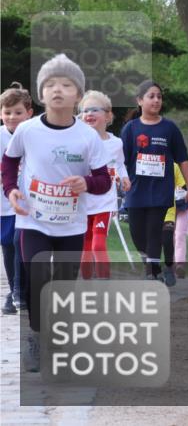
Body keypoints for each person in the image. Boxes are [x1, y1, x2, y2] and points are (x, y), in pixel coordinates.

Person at [2, 54, 112, 371]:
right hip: (32, 219)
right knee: (37, 279)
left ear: (78, 94)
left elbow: (104, 181)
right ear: (41, 93)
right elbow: (9, 162)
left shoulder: (87, 136)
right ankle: (36, 337)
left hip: (71, 224)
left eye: (66, 84)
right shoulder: (27, 130)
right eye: (50, 84)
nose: (58, 90)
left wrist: (86, 182)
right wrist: (11, 189)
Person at [121, 80, 188, 284]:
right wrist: (121, 181)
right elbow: (122, 161)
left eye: (159, 96)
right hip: (137, 190)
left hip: (161, 191)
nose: (156, 100)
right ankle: (151, 264)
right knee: (137, 233)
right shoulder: (131, 129)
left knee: (155, 230)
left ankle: (151, 273)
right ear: (139, 100)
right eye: (151, 96)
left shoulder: (169, 128)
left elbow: (183, 159)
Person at [79, 90, 130, 280]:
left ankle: (104, 283)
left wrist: (124, 177)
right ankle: (86, 283)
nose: (89, 114)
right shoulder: (77, 141)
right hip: (82, 202)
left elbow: (119, 163)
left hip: (104, 202)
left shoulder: (116, 143)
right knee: (85, 244)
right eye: (85, 110)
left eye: (95, 109)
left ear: (108, 116)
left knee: (98, 245)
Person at [0, 83, 33, 314]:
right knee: (8, 246)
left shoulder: (35, 134)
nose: (12, 117)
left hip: (28, 204)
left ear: (29, 113)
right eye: (7, 112)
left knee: (20, 243)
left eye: (18, 112)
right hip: (3, 203)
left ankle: (21, 292)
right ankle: (14, 291)